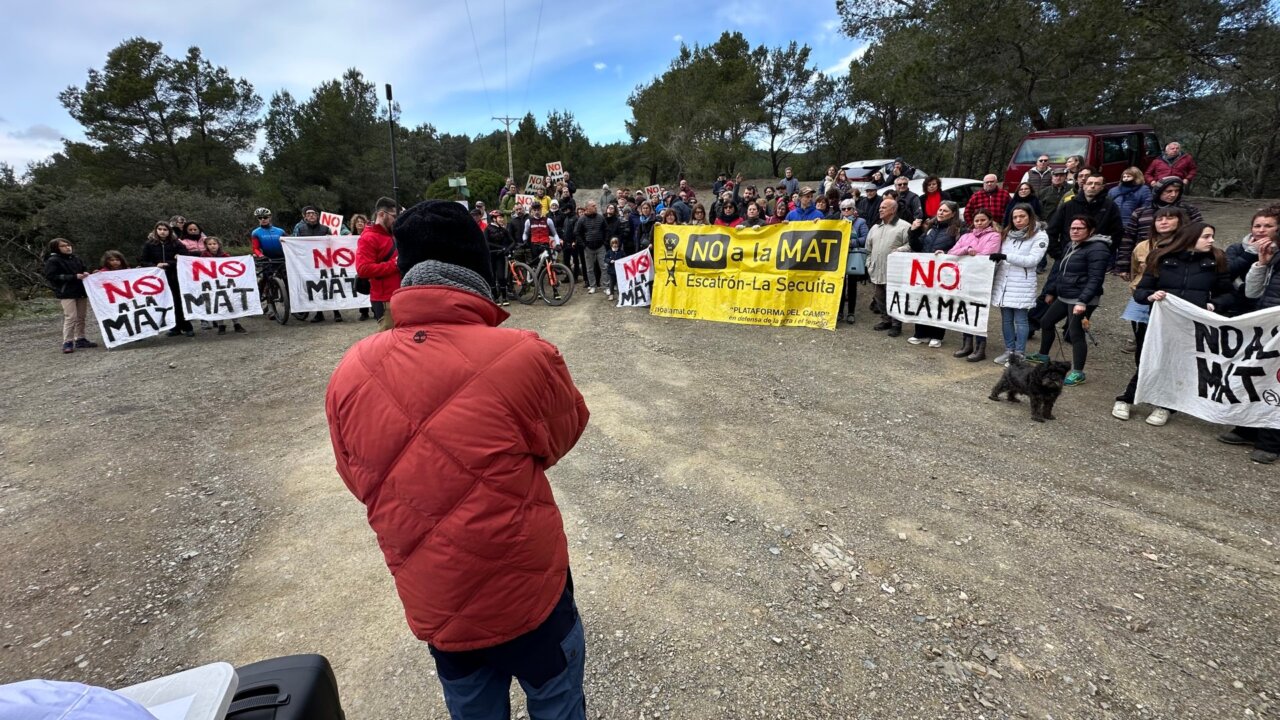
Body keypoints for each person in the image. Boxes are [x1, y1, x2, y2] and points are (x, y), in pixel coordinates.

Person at [325, 200, 591, 719]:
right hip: (529, 588)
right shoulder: (526, 354)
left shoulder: (350, 370)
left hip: (437, 596)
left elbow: (356, 476)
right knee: (557, 702)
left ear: (405, 271)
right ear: (478, 268)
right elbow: (563, 435)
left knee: (472, 710)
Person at [1113, 213, 1218, 426]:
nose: (1212, 241)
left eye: (1211, 236)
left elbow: (1226, 293)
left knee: (1178, 364)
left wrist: (1214, 304)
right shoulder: (1160, 259)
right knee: (1149, 359)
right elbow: (1141, 292)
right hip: (1160, 322)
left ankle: (1166, 406)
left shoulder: (1216, 261)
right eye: (1206, 236)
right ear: (1190, 238)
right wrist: (1150, 296)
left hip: (1191, 325)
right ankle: (1128, 398)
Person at [1027, 215, 1110, 386]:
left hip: (1081, 298)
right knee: (1046, 321)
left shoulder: (1098, 249)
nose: (1075, 231)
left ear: (1091, 230)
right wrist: (1051, 291)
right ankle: (1043, 355)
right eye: (1073, 228)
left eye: (1080, 228)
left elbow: (1096, 279)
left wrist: (1082, 302)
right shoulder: (1071, 245)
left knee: (1075, 333)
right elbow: (1060, 270)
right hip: (1065, 295)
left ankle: (1078, 372)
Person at [990, 205, 1049, 365]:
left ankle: (1019, 353)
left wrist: (1005, 256)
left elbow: (1032, 260)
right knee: (1006, 319)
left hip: (1021, 283)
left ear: (1030, 216)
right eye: (1015, 217)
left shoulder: (1040, 236)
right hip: (1004, 282)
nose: (1018, 220)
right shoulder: (1007, 234)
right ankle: (1009, 351)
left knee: (1021, 320)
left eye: (1022, 216)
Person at [1112, 177, 1203, 277]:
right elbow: (1128, 239)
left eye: (1177, 191)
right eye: (1168, 191)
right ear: (1158, 191)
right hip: (1146, 259)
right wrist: (1123, 266)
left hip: (1179, 260)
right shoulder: (1141, 213)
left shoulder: (1189, 211)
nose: (1173, 194)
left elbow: (1200, 235)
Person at [946, 208, 1003, 362]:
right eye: (977, 220)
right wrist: (966, 249)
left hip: (981, 280)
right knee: (965, 310)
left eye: (982, 220)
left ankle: (980, 347)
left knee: (979, 312)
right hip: (964, 279)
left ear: (989, 220)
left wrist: (969, 253)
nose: (979, 223)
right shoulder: (966, 236)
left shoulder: (995, 236)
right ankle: (967, 344)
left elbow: (986, 255)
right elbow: (951, 252)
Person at [903, 201, 963, 347]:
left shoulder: (957, 229)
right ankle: (921, 333)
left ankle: (937, 335)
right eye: (940, 209)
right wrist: (913, 231)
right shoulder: (931, 227)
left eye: (945, 211)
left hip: (945, 272)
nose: (941, 213)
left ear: (953, 214)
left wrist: (947, 254)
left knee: (939, 302)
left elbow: (960, 248)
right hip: (926, 271)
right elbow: (918, 246)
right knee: (923, 300)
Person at [1046, 175, 1123, 260]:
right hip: (1067, 255)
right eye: (1089, 183)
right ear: (1084, 186)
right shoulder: (1069, 205)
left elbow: (1117, 232)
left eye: (1097, 184)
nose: (1092, 186)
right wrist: (1057, 253)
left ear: (1102, 187)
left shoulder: (1110, 206)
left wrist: (1105, 252)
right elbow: (1052, 230)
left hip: (1096, 256)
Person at [140, 220, 194, 337]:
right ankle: (175, 327)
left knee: (179, 301)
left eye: (165, 230)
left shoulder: (176, 243)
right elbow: (143, 260)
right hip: (158, 278)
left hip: (175, 276)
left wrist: (169, 263)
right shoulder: (149, 244)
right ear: (156, 230)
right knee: (167, 302)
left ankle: (186, 326)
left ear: (169, 231)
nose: (162, 232)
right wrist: (155, 266)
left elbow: (185, 258)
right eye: (160, 229)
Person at [355, 197, 402, 329]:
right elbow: (363, 269)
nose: (397, 221)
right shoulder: (368, 238)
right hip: (385, 300)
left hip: (399, 295)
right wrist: (395, 264)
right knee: (388, 342)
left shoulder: (392, 234)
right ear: (381, 214)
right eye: (394, 216)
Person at [867, 199, 911, 337]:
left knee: (894, 298)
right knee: (879, 297)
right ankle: (886, 320)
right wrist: (869, 264)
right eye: (880, 207)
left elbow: (912, 245)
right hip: (876, 269)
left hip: (894, 271)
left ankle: (896, 325)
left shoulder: (904, 226)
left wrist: (900, 249)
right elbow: (868, 249)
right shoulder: (875, 227)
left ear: (893, 210)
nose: (880, 210)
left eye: (884, 207)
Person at [1225, 206, 1280, 316]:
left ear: (1278, 229)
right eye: (1257, 226)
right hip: (1239, 305)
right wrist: (1250, 253)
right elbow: (1226, 274)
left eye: (1268, 226)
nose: (1261, 230)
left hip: (1269, 308)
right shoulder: (1237, 248)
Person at [44, 238, 95, 354]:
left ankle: (80, 338)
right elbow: (51, 276)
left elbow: (83, 268)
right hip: (66, 292)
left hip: (80, 291)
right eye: (63, 246)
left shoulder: (76, 258)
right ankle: (67, 342)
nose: (67, 247)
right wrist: (73, 277)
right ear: (56, 248)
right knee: (70, 317)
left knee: (81, 316)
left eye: (68, 245)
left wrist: (86, 273)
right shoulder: (53, 260)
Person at [197, 236, 247, 335]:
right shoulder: (203, 257)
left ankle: (236, 323)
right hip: (213, 285)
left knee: (231, 303)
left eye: (214, 244)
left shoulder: (225, 256)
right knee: (218, 304)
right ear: (206, 246)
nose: (212, 246)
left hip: (226, 284)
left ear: (218, 245)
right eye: (210, 244)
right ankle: (221, 325)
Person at [838, 199, 871, 324]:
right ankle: (840, 312)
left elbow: (866, 238)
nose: (846, 211)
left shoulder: (861, 222)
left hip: (853, 255)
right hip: (840, 256)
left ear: (854, 209)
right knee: (840, 286)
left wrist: (851, 242)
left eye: (849, 208)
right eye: (843, 209)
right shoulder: (838, 222)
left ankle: (851, 312)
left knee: (852, 285)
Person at [575, 201, 608, 294]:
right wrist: (584, 245)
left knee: (604, 267)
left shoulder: (601, 218)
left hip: (601, 247)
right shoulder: (582, 219)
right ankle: (592, 286)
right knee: (589, 268)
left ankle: (606, 286)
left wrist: (605, 242)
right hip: (588, 248)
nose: (595, 207)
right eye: (593, 206)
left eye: (595, 205)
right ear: (588, 208)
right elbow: (577, 233)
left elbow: (606, 230)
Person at [485, 210, 514, 306]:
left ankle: (504, 297)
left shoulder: (503, 229)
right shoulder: (488, 229)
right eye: (500, 218)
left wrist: (507, 249)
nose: (502, 219)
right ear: (494, 219)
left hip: (500, 256)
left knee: (501, 277)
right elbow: (486, 243)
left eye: (502, 217)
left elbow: (512, 241)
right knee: (492, 277)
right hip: (491, 255)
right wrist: (500, 247)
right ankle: (495, 297)